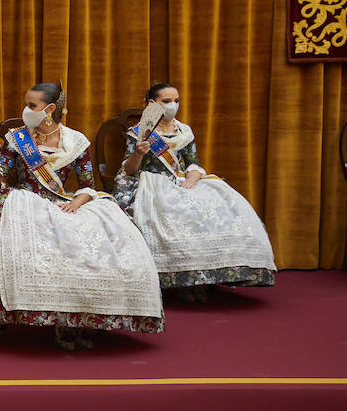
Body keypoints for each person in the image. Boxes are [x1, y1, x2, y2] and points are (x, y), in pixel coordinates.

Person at [0, 82, 163, 349]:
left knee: (106, 235)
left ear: (49, 110)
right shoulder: (17, 139)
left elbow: (88, 184)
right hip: (24, 201)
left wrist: (78, 201)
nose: (25, 110)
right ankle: (27, 312)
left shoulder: (76, 141)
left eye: (31, 106)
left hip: (65, 201)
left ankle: (84, 317)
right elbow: (0, 185)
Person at [112, 82, 276, 302]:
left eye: (176, 101)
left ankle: (205, 278)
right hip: (150, 182)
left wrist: (190, 180)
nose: (173, 106)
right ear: (152, 104)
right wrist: (139, 154)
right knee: (174, 213)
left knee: (219, 206)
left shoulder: (184, 131)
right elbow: (129, 170)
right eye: (167, 101)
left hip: (181, 180)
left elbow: (193, 163)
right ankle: (182, 281)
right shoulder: (139, 132)